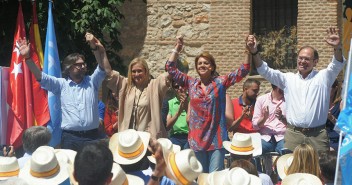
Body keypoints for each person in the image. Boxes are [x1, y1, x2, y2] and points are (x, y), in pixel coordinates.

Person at [247, 27, 345, 153]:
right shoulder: (288, 79)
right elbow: (264, 71)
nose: (302, 61)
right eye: (300, 58)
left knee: (319, 171)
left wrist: (337, 48)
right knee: (290, 169)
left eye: (307, 59)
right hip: (294, 135)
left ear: (315, 62)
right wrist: (254, 52)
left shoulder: (323, 77)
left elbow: (337, 64)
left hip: (317, 135)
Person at [165, 36, 250, 173]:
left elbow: (243, 70)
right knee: (200, 178)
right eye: (199, 64)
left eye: (206, 63)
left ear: (211, 67)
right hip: (196, 141)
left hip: (217, 140)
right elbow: (170, 68)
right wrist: (177, 48)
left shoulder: (220, 83)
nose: (202, 65)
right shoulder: (191, 84)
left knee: (214, 178)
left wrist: (248, 50)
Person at [18, 33, 112, 151]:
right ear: (69, 67)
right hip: (70, 138)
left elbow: (102, 67)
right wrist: (27, 58)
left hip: (92, 137)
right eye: (78, 65)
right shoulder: (61, 85)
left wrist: (94, 48)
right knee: (69, 168)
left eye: (84, 64)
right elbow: (40, 76)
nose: (82, 66)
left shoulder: (92, 82)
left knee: (92, 168)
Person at [105, 57, 169, 139]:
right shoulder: (125, 85)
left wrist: (175, 51)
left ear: (146, 71)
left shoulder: (154, 85)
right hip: (129, 140)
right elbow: (109, 74)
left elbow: (169, 74)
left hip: (149, 139)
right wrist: (100, 51)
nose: (136, 74)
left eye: (139, 71)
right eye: (133, 71)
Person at [252, 84, 286, 155]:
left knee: (287, 152)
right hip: (265, 137)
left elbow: (293, 125)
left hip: (283, 136)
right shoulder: (261, 100)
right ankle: (257, 166)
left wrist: (281, 117)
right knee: (253, 150)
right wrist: (264, 118)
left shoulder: (290, 100)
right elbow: (255, 125)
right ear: (277, 85)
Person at [166, 81, 189, 150]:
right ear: (173, 89)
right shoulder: (170, 103)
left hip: (189, 136)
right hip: (175, 136)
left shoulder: (192, 102)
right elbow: (167, 126)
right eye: (176, 87)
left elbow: (196, 124)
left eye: (182, 85)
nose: (180, 88)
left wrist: (186, 107)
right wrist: (178, 113)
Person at [326, 80, 342, 151]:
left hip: (336, 139)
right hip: (320, 138)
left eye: (328, 87)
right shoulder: (317, 103)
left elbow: (344, 127)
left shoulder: (341, 104)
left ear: (335, 88)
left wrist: (331, 117)